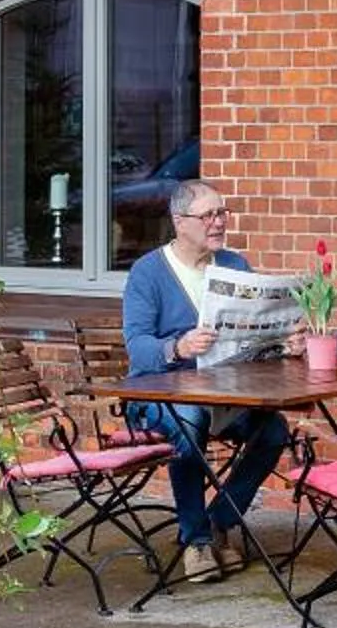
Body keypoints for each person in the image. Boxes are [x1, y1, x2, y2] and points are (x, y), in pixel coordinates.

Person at [123, 180, 294, 583]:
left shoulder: (234, 265)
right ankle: (196, 540)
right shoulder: (148, 272)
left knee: (273, 430)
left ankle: (221, 521)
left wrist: (282, 339)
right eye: (209, 215)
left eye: (222, 213)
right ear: (180, 222)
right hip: (158, 397)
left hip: (225, 392)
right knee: (189, 419)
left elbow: (252, 333)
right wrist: (178, 347)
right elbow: (138, 349)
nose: (219, 223)